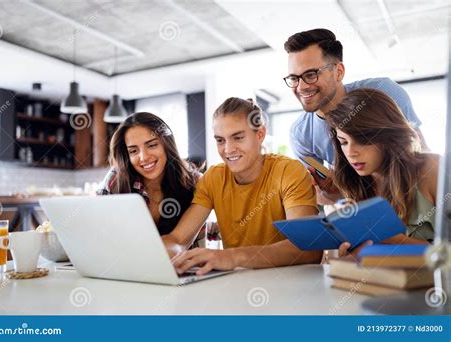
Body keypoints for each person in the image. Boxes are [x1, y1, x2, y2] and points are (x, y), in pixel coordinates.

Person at [162, 97, 323, 276]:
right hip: (238, 287)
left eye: (237, 137)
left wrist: (231, 257)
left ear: (260, 134)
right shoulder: (213, 178)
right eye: (220, 140)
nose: (228, 149)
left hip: (290, 285)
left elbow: (308, 248)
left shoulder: (288, 171)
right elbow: (178, 239)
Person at [283, 28, 427, 203]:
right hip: (368, 209)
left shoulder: (382, 92)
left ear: (338, 71)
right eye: (294, 78)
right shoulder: (301, 134)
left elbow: (421, 154)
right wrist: (333, 193)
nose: (301, 87)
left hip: (412, 195)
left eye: (311, 75)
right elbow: (324, 195)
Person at [324, 89, 438, 256]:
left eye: (362, 140)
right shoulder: (354, 186)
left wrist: (396, 242)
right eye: (344, 142)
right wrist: (351, 256)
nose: (351, 152)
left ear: (388, 136)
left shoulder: (432, 168)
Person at [97, 112, 199, 236]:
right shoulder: (115, 179)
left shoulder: (194, 182)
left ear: (167, 144)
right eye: (133, 151)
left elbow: (199, 238)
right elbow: (100, 231)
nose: (144, 157)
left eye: (152, 145)